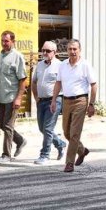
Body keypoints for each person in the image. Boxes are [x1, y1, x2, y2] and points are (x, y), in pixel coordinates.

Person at [51, 39, 97, 173]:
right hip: (66, 101)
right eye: (70, 49)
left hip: (80, 101)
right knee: (66, 132)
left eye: (75, 49)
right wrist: (53, 100)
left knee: (74, 133)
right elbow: (58, 83)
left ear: (79, 50)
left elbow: (94, 85)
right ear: (67, 50)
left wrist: (91, 104)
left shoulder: (85, 65)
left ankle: (69, 163)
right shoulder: (63, 65)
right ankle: (82, 151)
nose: (72, 52)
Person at [0, 30, 28, 163]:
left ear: (13, 41)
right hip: (0, 96)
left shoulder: (17, 57)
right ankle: (20, 140)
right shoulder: (0, 56)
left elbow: (23, 79)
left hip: (11, 96)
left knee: (7, 125)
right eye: (2, 41)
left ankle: (6, 155)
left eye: (6, 41)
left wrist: (18, 98)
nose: (4, 43)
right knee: (0, 124)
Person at [32, 41, 67, 164]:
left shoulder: (60, 65)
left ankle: (45, 154)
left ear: (55, 52)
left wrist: (55, 100)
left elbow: (63, 83)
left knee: (47, 128)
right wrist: (36, 96)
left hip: (54, 100)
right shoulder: (39, 65)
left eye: (48, 51)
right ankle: (60, 144)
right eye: (43, 50)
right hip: (41, 101)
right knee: (42, 128)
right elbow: (34, 81)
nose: (45, 53)